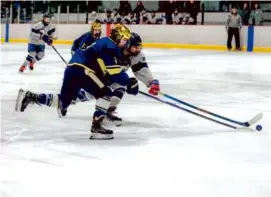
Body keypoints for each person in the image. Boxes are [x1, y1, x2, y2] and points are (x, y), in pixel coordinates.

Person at [15, 24, 132, 140]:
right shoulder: (111, 45)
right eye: (124, 39)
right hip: (83, 70)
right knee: (105, 93)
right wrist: (128, 81)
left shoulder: (104, 41)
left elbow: (104, 67)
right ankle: (97, 127)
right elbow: (113, 71)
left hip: (72, 69)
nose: (125, 43)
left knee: (63, 102)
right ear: (117, 36)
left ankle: (30, 97)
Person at [68, 32, 160, 126]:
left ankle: (108, 111)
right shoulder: (112, 50)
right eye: (135, 47)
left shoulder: (134, 55)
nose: (137, 49)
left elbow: (141, 68)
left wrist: (152, 82)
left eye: (139, 47)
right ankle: (61, 100)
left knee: (120, 87)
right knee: (91, 94)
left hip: (111, 78)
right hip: (95, 75)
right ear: (128, 44)